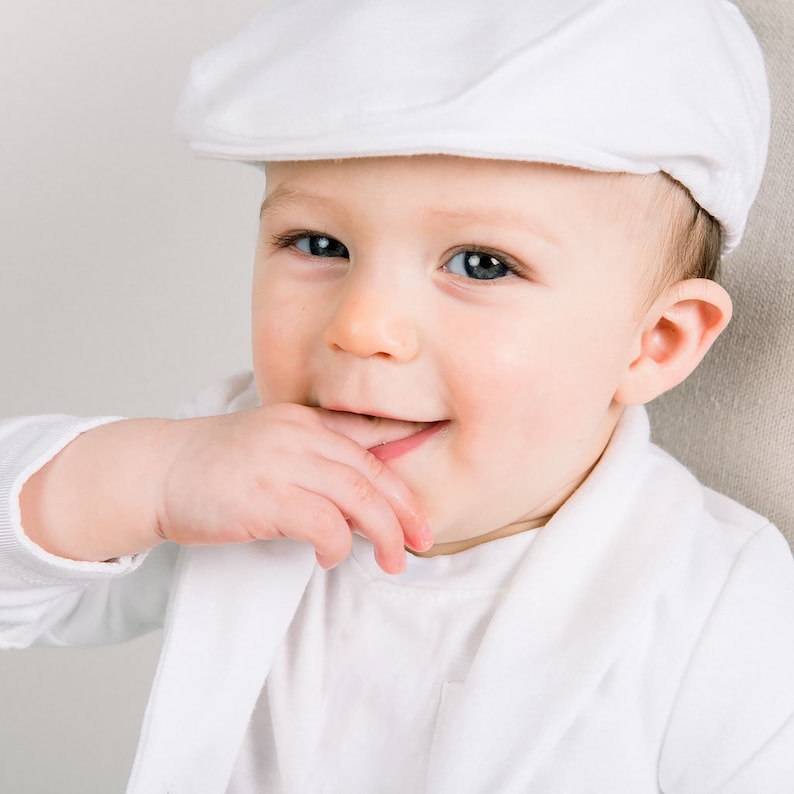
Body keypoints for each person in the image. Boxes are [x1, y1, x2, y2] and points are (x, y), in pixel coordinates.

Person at [2, 0, 794, 791]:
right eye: (319, 244)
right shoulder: (228, 474)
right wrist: (150, 478)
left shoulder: (727, 602)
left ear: (657, 342)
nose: (362, 325)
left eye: (481, 264)